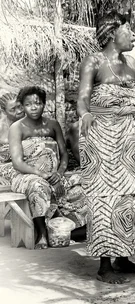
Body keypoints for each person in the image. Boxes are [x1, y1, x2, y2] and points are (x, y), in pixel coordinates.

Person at [78, 11, 135, 284]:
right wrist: (86, 115)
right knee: (105, 197)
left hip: (127, 137)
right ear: (112, 33)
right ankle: (104, 265)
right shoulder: (93, 61)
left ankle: (123, 257)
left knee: (131, 197)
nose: (133, 35)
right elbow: (82, 100)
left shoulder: (132, 63)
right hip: (100, 136)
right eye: (129, 30)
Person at [8, 86, 89, 249]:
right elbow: (17, 163)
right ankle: (42, 233)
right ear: (23, 106)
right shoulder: (16, 128)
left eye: (37, 103)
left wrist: (59, 174)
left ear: (44, 104)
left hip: (54, 175)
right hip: (25, 175)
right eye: (28, 104)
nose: (33, 107)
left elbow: (64, 154)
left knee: (85, 180)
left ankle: (73, 229)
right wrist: (43, 175)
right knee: (38, 186)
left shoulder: (52, 125)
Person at [0, 92, 25, 161]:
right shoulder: (1, 128)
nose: (19, 111)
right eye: (13, 109)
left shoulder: (32, 121)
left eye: (20, 106)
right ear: (4, 112)